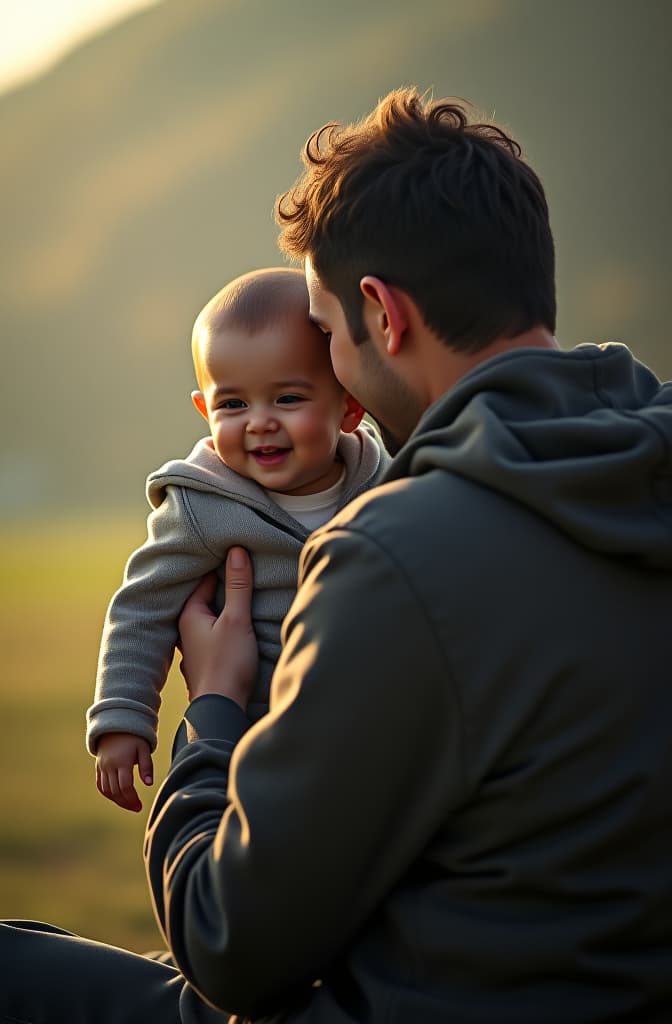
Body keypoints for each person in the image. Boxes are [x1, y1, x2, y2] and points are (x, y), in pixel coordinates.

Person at [2, 86, 671, 1023]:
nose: (325, 362)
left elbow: (229, 944)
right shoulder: (643, 463)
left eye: (323, 332)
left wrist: (217, 709)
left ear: (381, 316)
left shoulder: (397, 554)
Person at [86, 266, 388, 812]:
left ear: (349, 405)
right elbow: (142, 607)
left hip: (371, 738)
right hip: (250, 742)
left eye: (288, 399)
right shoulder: (202, 506)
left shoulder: (386, 482)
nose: (259, 423)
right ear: (204, 411)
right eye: (233, 405)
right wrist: (121, 718)